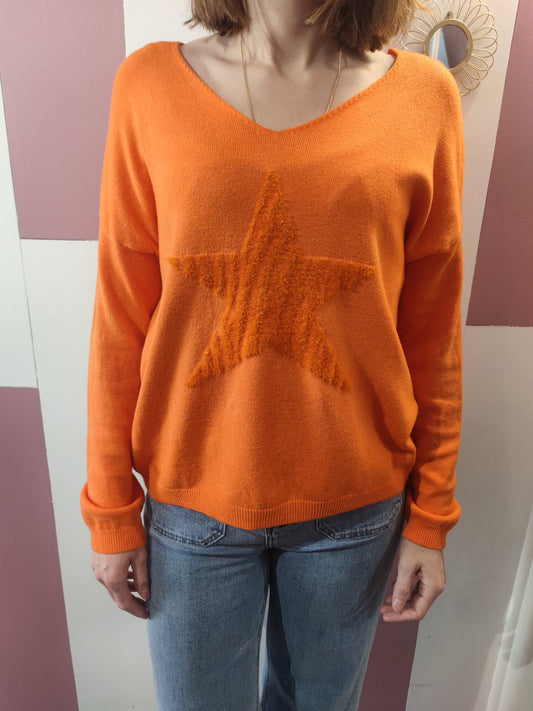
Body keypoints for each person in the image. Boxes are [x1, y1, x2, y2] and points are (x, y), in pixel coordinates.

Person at [82, 0, 464, 708]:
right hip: (191, 506)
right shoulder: (149, 85)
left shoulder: (424, 97)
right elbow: (118, 319)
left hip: (355, 510)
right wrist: (111, 509)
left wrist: (431, 514)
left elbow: (433, 334)